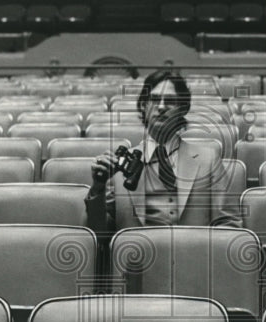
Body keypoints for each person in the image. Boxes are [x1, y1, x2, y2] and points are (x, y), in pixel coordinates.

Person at [85, 70, 241, 233]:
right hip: (136, 257)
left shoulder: (208, 160)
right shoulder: (118, 165)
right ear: (144, 106)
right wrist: (98, 188)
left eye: (170, 101)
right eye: (154, 99)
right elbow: (99, 233)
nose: (160, 107)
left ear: (182, 109)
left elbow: (229, 226)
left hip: (191, 255)